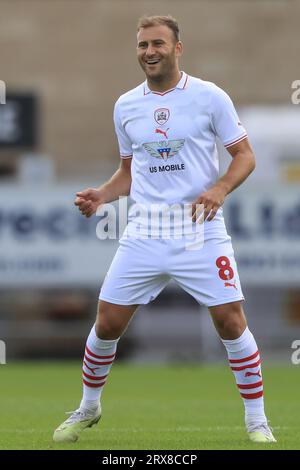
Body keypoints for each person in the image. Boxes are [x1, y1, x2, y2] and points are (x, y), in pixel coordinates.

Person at [53, 15, 276, 444]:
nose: (149, 52)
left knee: (230, 322)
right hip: (145, 232)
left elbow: (244, 156)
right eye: (142, 45)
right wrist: (102, 195)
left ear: (178, 48)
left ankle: (256, 423)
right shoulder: (125, 105)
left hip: (201, 229)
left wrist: (219, 189)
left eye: (157, 43)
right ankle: (88, 408)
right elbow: (128, 172)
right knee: (107, 324)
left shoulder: (209, 97)